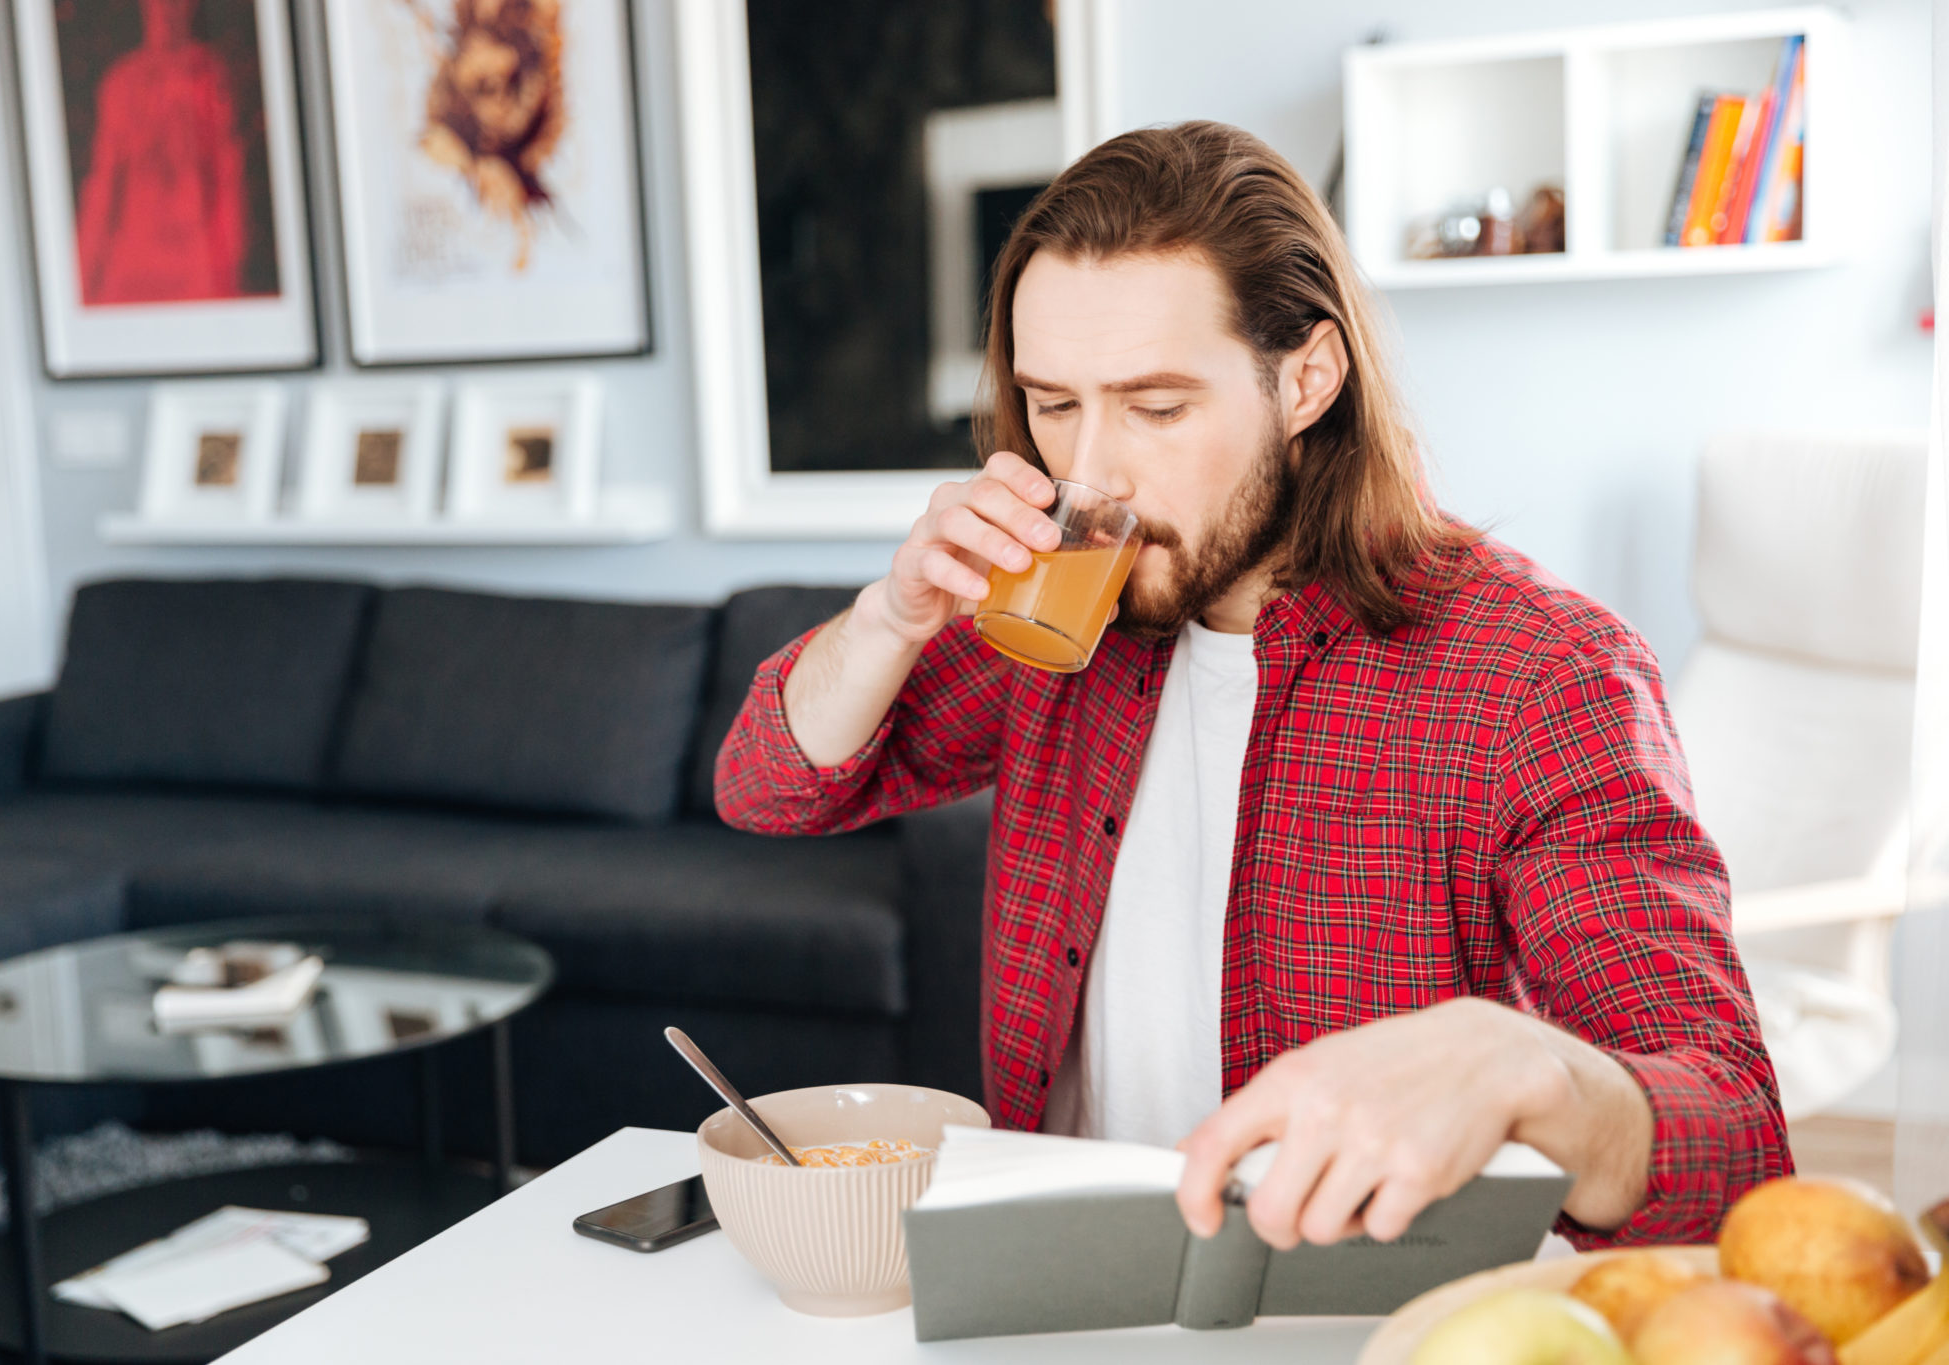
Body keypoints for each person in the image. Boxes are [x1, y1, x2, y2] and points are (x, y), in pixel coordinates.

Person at [716, 121, 1788, 1251]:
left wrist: (1532, 1069)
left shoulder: (1536, 673)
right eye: (1053, 404)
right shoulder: (1066, 612)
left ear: (1306, 379)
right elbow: (766, 789)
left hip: (1355, 1311)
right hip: (1070, 1279)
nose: (1088, 471)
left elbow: (1733, 1144)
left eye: (1157, 407)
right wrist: (889, 618)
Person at [74, 0, 251, 306]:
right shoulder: (122, 82)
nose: (166, 10)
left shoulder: (211, 76)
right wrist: (85, 272)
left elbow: (227, 175)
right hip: (132, 264)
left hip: (195, 265)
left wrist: (229, 263)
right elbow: (103, 185)